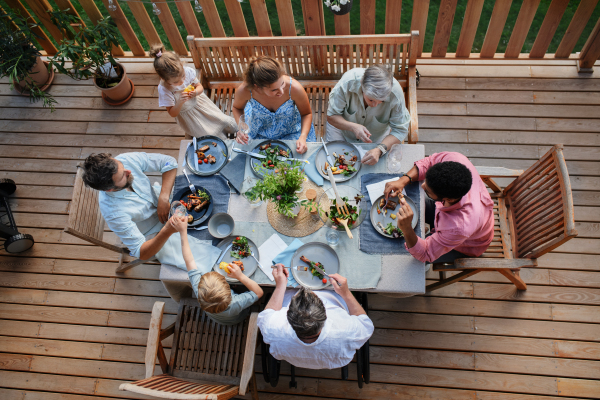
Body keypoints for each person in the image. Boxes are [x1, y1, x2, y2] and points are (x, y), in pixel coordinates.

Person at [82, 152, 220, 270]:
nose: (128, 171)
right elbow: (141, 253)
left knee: (209, 192)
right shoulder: (113, 213)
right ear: (109, 189)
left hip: (164, 199)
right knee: (203, 258)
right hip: (154, 232)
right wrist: (167, 230)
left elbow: (168, 162)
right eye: (123, 176)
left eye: (123, 168)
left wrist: (163, 197)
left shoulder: (124, 160)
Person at [383, 152, 494, 263]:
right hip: (465, 217)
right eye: (426, 181)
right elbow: (429, 162)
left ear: (448, 199)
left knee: (413, 260)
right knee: (418, 204)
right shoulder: (455, 159)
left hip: (467, 244)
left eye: (427, 191)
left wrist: (406, 228)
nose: (422, 185)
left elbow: (425, 253)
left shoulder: (458, 228)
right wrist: (403, 180)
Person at [257, 265, 374, 369]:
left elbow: (268, 313)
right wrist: (346, 293)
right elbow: (364, 322)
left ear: (288, 316)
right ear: (325, 315)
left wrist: (280, 286)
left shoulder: (273, 328)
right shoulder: (347, 331)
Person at [171, 215, 263, 325]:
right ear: (229, 290)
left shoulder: (199, 289)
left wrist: (183, 232)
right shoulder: (235, 303)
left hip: (216, 318)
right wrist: (240, 276)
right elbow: (259, 292)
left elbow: (189, 260)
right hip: (237, 318)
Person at [326, 65, 411, 165]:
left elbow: (400, 130)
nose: (374, 106)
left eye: (381, 101)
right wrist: (353, 127)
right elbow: (331, 116)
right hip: (340, 130)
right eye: (371, 100)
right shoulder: (347, 82)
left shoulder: (396, 94)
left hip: (376, 138)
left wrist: (380, 149)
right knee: (334, 162)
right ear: (362, 86)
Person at [149, 44, 237, 139]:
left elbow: (199, 87)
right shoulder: (164, 89)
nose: (182, 82)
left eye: (183, 76)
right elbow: (172, 113)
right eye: (176, 82)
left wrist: (195, 92)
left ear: (182, 66)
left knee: (223, 120)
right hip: (190, 117)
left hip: (201, 104)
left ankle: (238, 130)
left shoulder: (187, 72)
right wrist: (180, 102)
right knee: (208, 132)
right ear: (163, 78)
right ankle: (223, 141)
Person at [232, 56, 316, 154]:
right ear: (257, 87)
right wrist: (242, 127)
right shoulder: (245, 90)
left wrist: (303, 136)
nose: (281, 91)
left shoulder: (294, 88)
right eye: (274, 90)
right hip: (259, 132)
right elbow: (236, 108)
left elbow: (306, 114)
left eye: (282, 84)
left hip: (292, 131)